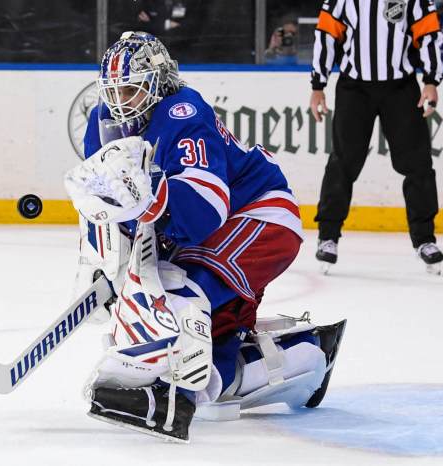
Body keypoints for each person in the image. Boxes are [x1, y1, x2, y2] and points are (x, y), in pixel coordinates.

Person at [64, 31, 346, 442]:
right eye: (113, 90)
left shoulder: (183, 112)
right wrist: (106, 262)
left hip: (261, 216)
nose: (120, 101)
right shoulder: (102, 121)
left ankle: (170, 395)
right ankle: (307, 356)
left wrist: (154, 201)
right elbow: (103, 200)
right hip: (215, 231)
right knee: (210, 358)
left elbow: (207, 206)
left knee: (180, 295)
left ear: (157, 81)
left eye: (130, 88)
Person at [309, 0, 443, 274]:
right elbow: (326, 35)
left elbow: (428, 33)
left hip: (401, 87)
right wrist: (318, 85)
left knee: (418, 163)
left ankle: (424, 240)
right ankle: (328, 236)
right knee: (343, 162)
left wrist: (431, 80)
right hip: (353, 87)